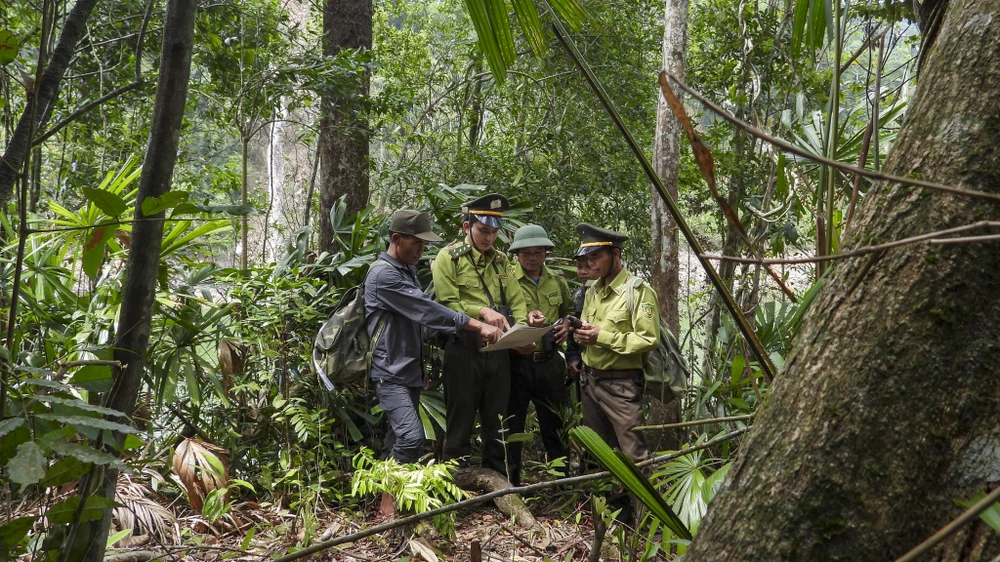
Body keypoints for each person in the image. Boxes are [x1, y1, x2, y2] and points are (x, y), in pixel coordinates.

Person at [365, 209, 503, 519]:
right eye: (416, 243)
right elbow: (428, 311)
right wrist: (477, 325)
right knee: (410, 438)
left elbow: (412, 326)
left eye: (424, 244)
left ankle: (381, 503)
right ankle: (388, 509)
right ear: (396, 239)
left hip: (408, 371)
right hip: (390, 373)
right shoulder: (384, 275)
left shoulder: (406, 271)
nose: (421, 249)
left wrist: (421, 367)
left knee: (394, 440)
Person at [431, 194, 535, 476]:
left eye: (494, 232)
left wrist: (522, 332)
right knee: (460, 420)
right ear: (467, 227)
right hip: (463, 349)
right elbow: (447, 304)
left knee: (497, 421)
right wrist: (481, 311)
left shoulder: (501, 261)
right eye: (483, 230)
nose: (489, 238)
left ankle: (497, 482)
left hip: (499, 350)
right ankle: (455, 481)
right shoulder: (449, 257)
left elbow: (517, 300)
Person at [571, 223, 659, 465]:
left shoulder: (638, 291)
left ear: (615, 254)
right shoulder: (592, 290)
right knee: (598, 453)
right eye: (587, 258)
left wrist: (601, 337)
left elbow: (648, 339)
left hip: (620, 385)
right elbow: (588, 329)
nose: (590, 264)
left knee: (634, 456)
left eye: (596, 257)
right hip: (589, 382)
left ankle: (643, 492)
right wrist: (581, 334)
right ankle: (604, 492)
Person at [505, 224, 574, 485]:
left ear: (546, 253)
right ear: (517, 254)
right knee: (513, 425)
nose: (532, 258)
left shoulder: (557, 280)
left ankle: (560, 483)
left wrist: (567, 324)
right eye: (526, 253)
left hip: (549, 362)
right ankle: (510, 485)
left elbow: (569, 311)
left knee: (554, 425)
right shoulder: (506, 278)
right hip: (516, 362)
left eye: (538, 253)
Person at [565, 250, 595, 380]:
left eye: (588, 266)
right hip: (583, 366)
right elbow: (571, 332)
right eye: (579, 267)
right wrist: (573, 358)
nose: (583, 272)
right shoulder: (578, 296)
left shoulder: (619, 294)